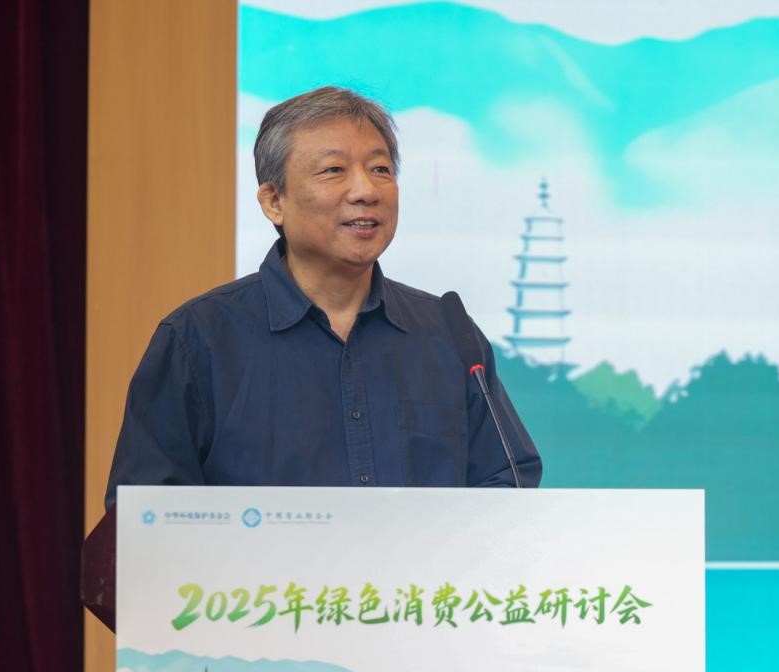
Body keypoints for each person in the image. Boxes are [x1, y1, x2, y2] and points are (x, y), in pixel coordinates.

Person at [105, 86, 540, 508]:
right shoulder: (199, 339)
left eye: (380, 169)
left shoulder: (447, 334)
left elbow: (508, 485)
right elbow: (145, 515)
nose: (366, 191)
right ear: (273, 201)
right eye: (334, 170)